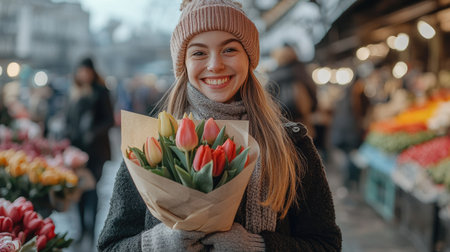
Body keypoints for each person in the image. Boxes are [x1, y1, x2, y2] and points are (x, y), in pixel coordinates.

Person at [98, 0, 341, 251]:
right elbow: (110, 246)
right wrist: (155, 244)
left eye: (229, 50)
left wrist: (258, 247)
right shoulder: (151, 145)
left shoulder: (291, 145)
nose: (215, 65)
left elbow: (327, 244)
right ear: (183, 65)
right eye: (199, 53)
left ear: (249, 58)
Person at [65, 57, 115, 242]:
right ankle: (81, 229)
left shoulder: (101, 92)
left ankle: (91, 231)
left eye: (87, 71)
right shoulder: (74, 92)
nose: (84, 74)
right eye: (81, 71)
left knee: (92, 189)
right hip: (77, 150)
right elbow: (69, 119)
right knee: (78, 191)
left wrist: (93, 132)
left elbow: (109, 120)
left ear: (93, 72)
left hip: (96, 151)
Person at [267, 44, 318, 138]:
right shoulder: (301, 71)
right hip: (303, 120)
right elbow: (313, 93)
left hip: (281, 124)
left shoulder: (273, 77)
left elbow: (268, 102)